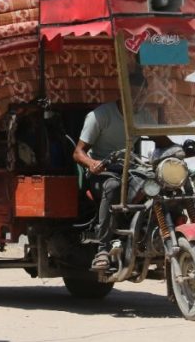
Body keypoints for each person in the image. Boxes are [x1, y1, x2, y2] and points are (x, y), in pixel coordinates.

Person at [72, 99, 171, 271]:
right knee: (112, 186)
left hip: (130, 169)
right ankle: (102, 249)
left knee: (156, 181)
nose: (138, 97)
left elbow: (163, 141)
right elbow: (78, 152)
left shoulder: (142, 115)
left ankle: (150, 235)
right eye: (135, 93)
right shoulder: (100, 115)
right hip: (102, 171)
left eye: (142, 93)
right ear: (124, 91)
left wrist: (187, 148)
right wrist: (92, 163)